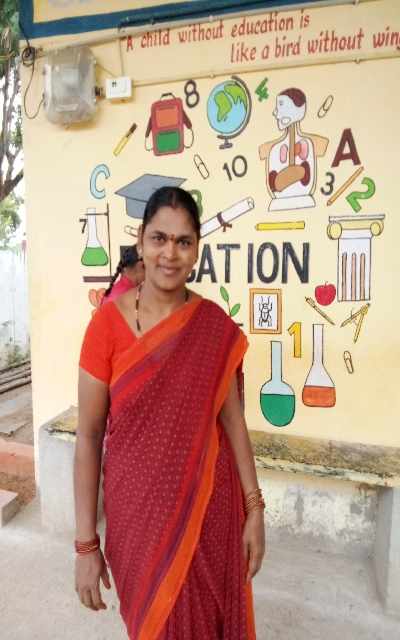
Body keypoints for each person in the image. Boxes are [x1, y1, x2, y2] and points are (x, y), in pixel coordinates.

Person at [74, 186, 266, 639]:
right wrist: (85, 544)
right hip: (136, 518)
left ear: (196, 250)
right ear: (140, 241)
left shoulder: (213, 327)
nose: (170, 253)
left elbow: (233, 422)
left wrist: (254, 508)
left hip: (208, 514)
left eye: (183, 242)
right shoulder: (106, 326)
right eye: (159, 238)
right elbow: (89, 436)